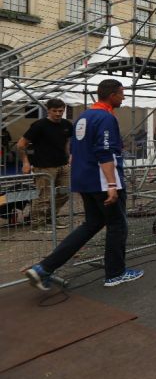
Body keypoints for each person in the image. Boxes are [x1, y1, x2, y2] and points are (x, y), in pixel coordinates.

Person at [24, 79, 144, 290]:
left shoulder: (84, 116)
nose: (124, 97)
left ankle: (44, 268)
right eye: (121, 93)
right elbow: (104, 151)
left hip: (85, 179)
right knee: (117, 225)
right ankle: (115, 273)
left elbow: (75, 148)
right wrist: (112, 184)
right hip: (102, 181)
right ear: (112, 95)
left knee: (92, 223)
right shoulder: (105, 117)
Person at [17, 98, 73, 230]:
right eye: (55, 111)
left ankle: (50, 218)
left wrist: (70, 156)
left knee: (65, 193)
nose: (58, 113)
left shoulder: (67, 124)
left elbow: (67, 142)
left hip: (62, 165)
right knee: (43, 196)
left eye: (60, 111)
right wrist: (25, 162)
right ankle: (38, 224)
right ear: (48, 110)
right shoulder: (39, 125)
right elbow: (21, 144)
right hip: (44, 166)